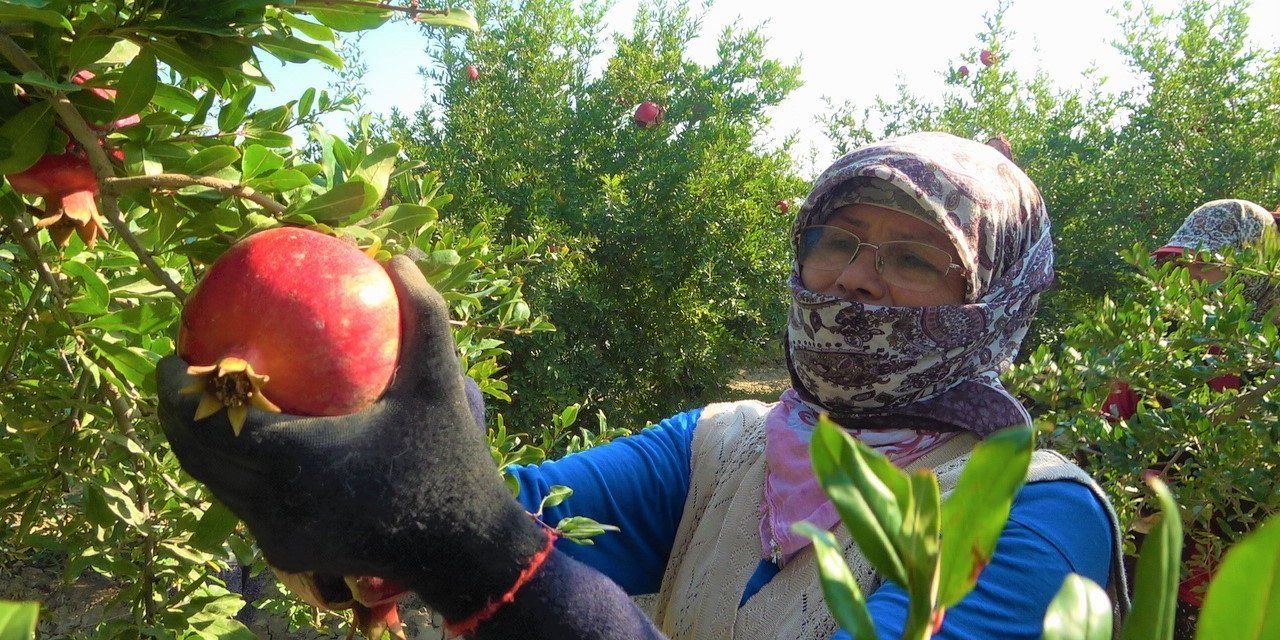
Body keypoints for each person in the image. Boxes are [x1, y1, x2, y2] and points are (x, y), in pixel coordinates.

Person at [156, 132, 1128, 639]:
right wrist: (362, 457)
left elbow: (487, 541)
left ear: (995, 300)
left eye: (914, 256)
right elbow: (509, 510)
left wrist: (478, 551)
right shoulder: (725, 445)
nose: (855, 276)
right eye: (836, 240)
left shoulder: (1034, 520)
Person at [1102, 198, 1280, 421]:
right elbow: (1108, 431)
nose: (1189, 276)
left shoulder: (1271, 355)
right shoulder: (1159, 343)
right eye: (1180, 264)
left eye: (1205, 263)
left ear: (1252, 267)